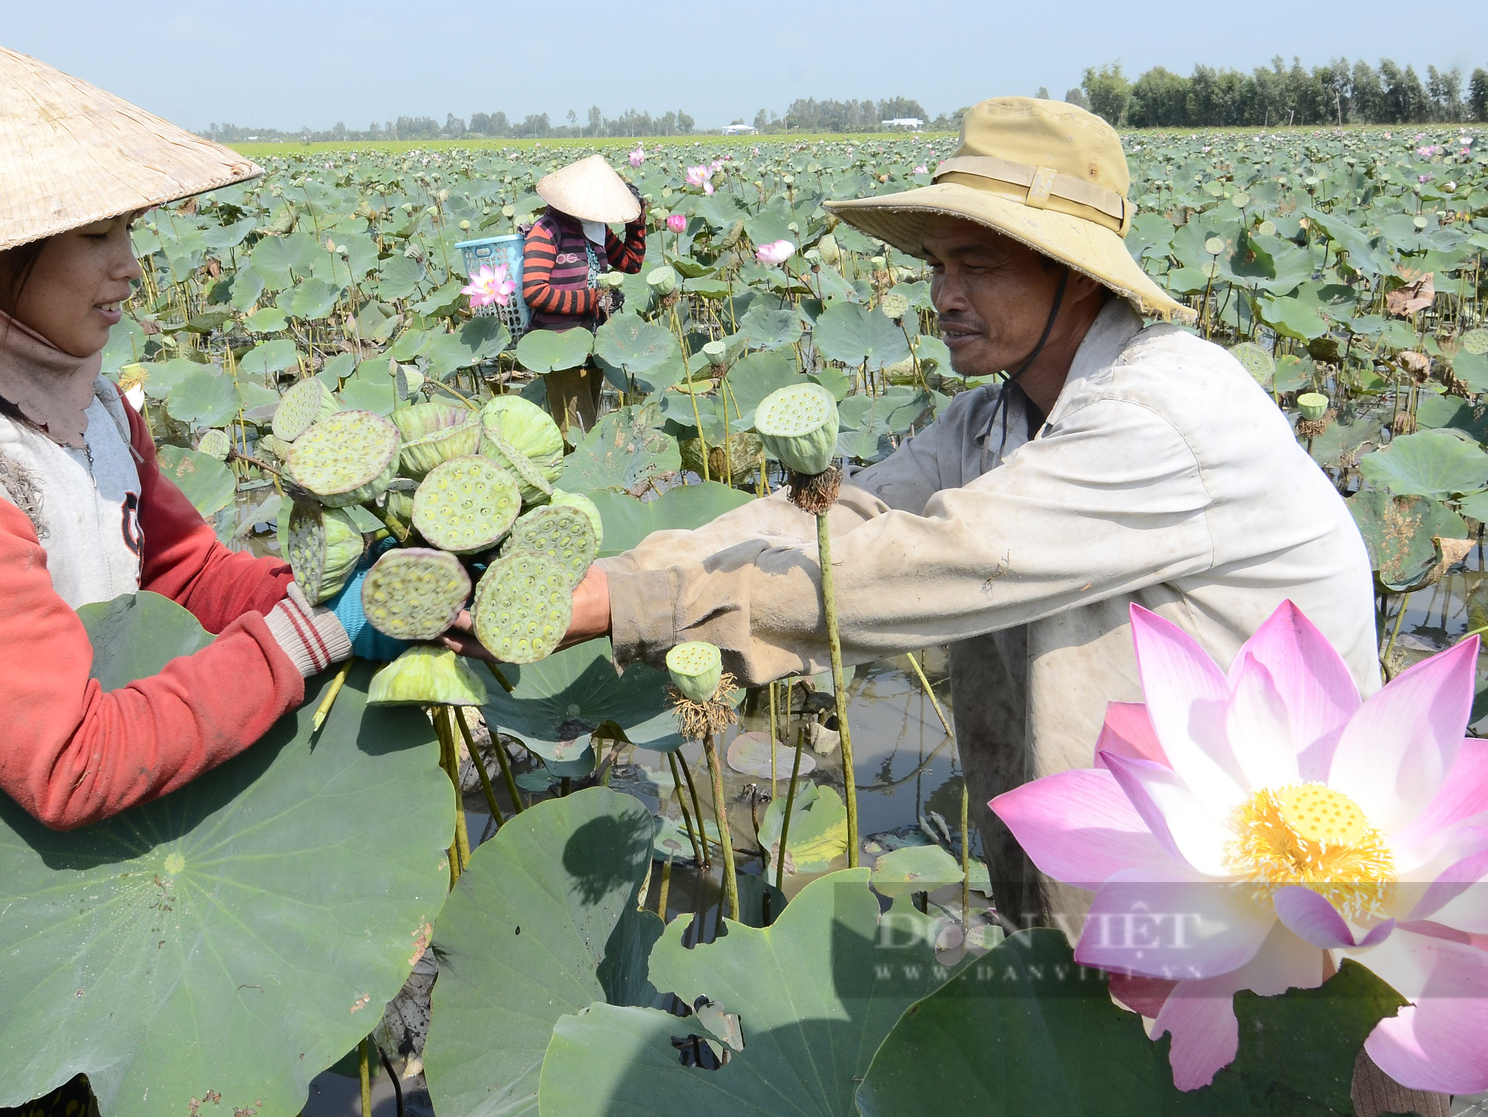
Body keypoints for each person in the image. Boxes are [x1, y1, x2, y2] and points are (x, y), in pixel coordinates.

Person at [473, 97, 1378, 930]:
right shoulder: (993, 416)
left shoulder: (1162, 419)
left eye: (977, 267)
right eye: (939, 266)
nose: (943, 295)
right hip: (1138, 894)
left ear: (1075, 273)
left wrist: (626, 611)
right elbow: (837, 519)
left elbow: (922, 563)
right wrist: (610, 577)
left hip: (1280, 895)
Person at [0, 34, 382, 1115]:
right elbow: (68, 758)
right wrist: (310, 642)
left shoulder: (91, 412)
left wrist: (327, 591)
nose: (128, 266)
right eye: (96, 234)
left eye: (128, 231)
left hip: (91, 904)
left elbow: (183, 572)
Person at [519, 153, 646, 433]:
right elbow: (535, 292)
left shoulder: (595, 227)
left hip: (592, 344)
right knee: (576, 431)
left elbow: (631, 264)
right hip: (559, 346)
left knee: (587, 426)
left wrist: (636, 219)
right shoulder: (547, 230)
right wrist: (594, 299)